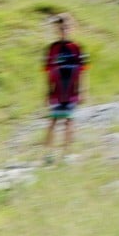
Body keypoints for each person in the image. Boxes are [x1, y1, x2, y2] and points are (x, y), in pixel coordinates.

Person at [43, 14, 88, 163]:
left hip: (72, 90)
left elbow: (83, 70)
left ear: (72, 28)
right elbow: (48, 71)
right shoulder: (52, 48)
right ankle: (48, 154)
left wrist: (82, 91)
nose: (64, 30)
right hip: (56, 91)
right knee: (53, 122)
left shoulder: (77, 48)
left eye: (67, 27)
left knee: (69, 122)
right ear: (57, 29)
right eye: (61, 28)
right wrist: (47, 92)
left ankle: (66, 154)